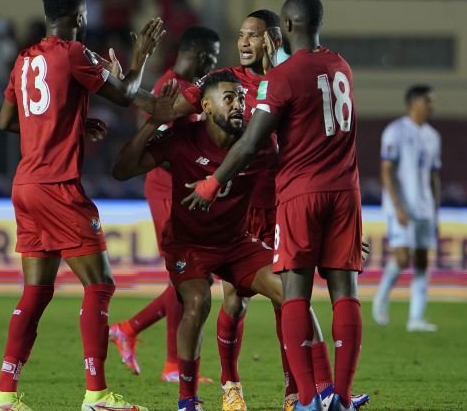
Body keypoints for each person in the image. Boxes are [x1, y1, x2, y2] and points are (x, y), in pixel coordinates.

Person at [132, 9, 368, 411]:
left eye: (252, 36)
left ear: (273, 38)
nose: (243, 42)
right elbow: (163, 110)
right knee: (236, 303)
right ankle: (231, 383)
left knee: (290, 301)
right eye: (240, 34)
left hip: (287, 202)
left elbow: (324, 141)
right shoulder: (223, 83)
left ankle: (304, 393)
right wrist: (130, 77)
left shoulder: (288, 77)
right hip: (244, 209)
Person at [0, 0, 164, 411]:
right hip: (57, 186)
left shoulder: (25, 60)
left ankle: (3, 396)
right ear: (80, 17)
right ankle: (97, 395)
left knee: (36, 291)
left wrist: (70, 125)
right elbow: (124, 95)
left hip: (25, 184)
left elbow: (7, 119)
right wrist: (139, 61)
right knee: (100, 285)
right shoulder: (74, 53)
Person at [114, 72, 328, 411]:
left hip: (235, 243)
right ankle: (188, 400)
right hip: (188, 245)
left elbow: (298, 178)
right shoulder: (184, 138)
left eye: (241, 99)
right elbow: (122, 169)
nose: (238, 105)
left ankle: (321, 391)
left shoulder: (258, 144)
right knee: (198, 302)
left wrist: (332, 228)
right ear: (207, 105)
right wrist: (154, 123)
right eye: (229, 98)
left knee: (292, 293)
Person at [108, 25, 220, 383]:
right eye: (213, 57)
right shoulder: (168, 86)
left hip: (182, 187)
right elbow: (161, 145)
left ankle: (131, 330)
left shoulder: (187, 88)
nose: (213, 63)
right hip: (167, 188)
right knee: (188, 275)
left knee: (195, 275)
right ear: (202, 54)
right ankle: (170, 362)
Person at [373, 85, 441, 332]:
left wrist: (436, 209)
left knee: (422, 261)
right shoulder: (395, 131)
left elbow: (434, 176)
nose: (432, 106)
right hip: (400, 205)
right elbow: (386, 172)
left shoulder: (433, 136)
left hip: (424, 207)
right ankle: (380, 299)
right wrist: (398, 205)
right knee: (402, 257)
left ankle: (416, 318)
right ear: (414, 103)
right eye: (428, 101)